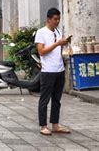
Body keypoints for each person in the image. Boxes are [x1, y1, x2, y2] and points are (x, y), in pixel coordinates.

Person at [35, 8, 71, 136]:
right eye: (55, 19)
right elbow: (41, 51)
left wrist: (64, 44)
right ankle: (43, 125)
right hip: (48, 71)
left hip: (59, 69)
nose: (57, 21)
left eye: (58, 19)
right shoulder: (41, 32)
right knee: (44, 99)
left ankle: (55, 124)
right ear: (48, 19)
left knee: (57, 99)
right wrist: (57, 44)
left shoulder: (58, 31)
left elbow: (58, 49)